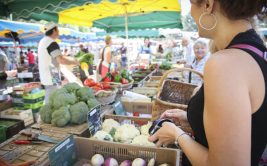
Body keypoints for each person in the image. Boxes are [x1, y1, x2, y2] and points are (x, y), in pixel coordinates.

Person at [149, 0, 267, 166]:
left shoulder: (225, 64)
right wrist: (194, 118)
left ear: (208, 5)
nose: (190, 12)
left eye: (191, 2)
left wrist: (177, 134)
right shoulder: (256, 51)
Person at [38, 23, 79, 103]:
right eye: (58, 29)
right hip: (52, 76)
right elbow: (60, 60)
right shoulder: (51, 42)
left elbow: (58, 57)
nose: (59, 32)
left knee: (52, 100)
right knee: (51, 102)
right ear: (54, 30)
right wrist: (74, 62)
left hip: (46, 75)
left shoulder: (43, 41)